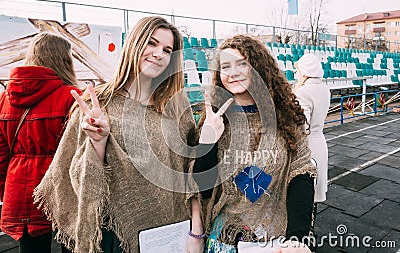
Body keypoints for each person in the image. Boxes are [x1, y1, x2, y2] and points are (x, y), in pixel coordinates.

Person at [33, 16, 204, 253]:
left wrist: (197, 231)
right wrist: (98, 142)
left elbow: (192, 173)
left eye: (167, 49)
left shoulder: (177, 108)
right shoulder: (99, 103)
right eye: (151, 43)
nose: (159, 54)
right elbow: (78, 179)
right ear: (134, 44)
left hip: (172, 231)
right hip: (117, 235)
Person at [191, 35, 317, 253]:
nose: (233, 72)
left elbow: (301, 173)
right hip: (225, 238)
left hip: (274, 237)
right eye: (226, 66)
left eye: (242, 63)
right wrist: (207, 142)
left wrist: (297, 238)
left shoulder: (286, 117)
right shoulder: (214, 117)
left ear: (258, 68)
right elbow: (203, 188)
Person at [0, 32, 81, 253]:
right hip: (64, 189)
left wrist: (5, 192)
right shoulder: (72, 96)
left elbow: (0, 156)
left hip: (21, 190)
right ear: (64, 59)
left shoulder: (5, 99)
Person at [293, 54, 331, 203]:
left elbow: (301, 124)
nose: (297, 74)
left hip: (307, 145)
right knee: (316, 187)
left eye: (298, 70)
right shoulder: (324, 88)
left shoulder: (303, 91)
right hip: (319, 141)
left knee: (304, 190)